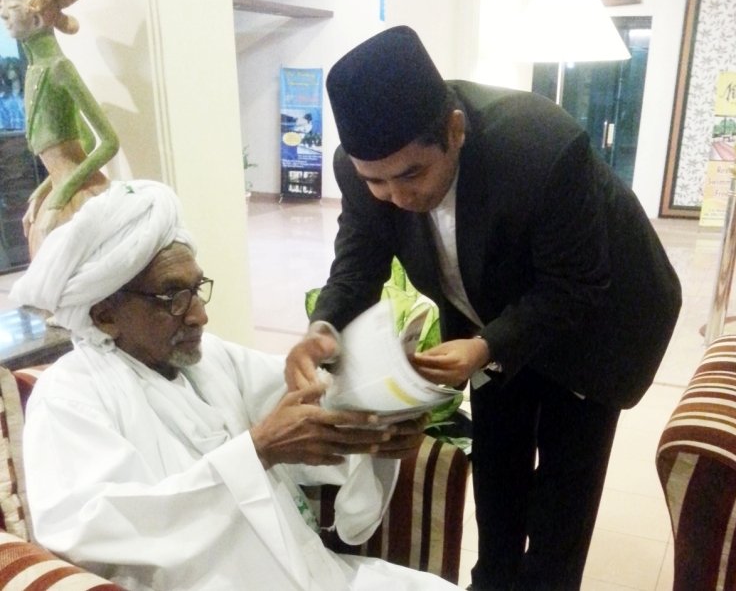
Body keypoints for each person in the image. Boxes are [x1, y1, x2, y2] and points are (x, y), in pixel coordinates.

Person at [285, 26, 682, 590]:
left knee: (564, 487)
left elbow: (576, 284)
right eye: (378, 182)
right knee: (497, 462)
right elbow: (356, 266)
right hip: (490, 315)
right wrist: (320, 330)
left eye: (412, 174)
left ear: (455, 130)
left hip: (597, 319)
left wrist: (486, 344)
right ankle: (492, 577)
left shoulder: (541, 149)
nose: (398, 197)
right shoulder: (361, 169)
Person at [11, 180, 458, 591]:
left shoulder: (211, 358)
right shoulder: (70, 393)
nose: (199, 315)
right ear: (105, 315)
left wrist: (378, 424)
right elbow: (91, 529)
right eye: (172, 297)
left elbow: (316, 404)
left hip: (312, 574)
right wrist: (258, 451)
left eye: (197, 289)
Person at [0, 0, 118, 255]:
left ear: (38, 17)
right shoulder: (34, 70)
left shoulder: (59, 68)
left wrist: (60, 195)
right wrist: (44, 191)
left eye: (11, 7)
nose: (4, 15)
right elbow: (84, 143)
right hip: (62, 190)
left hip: (80, 195)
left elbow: (108, 142)